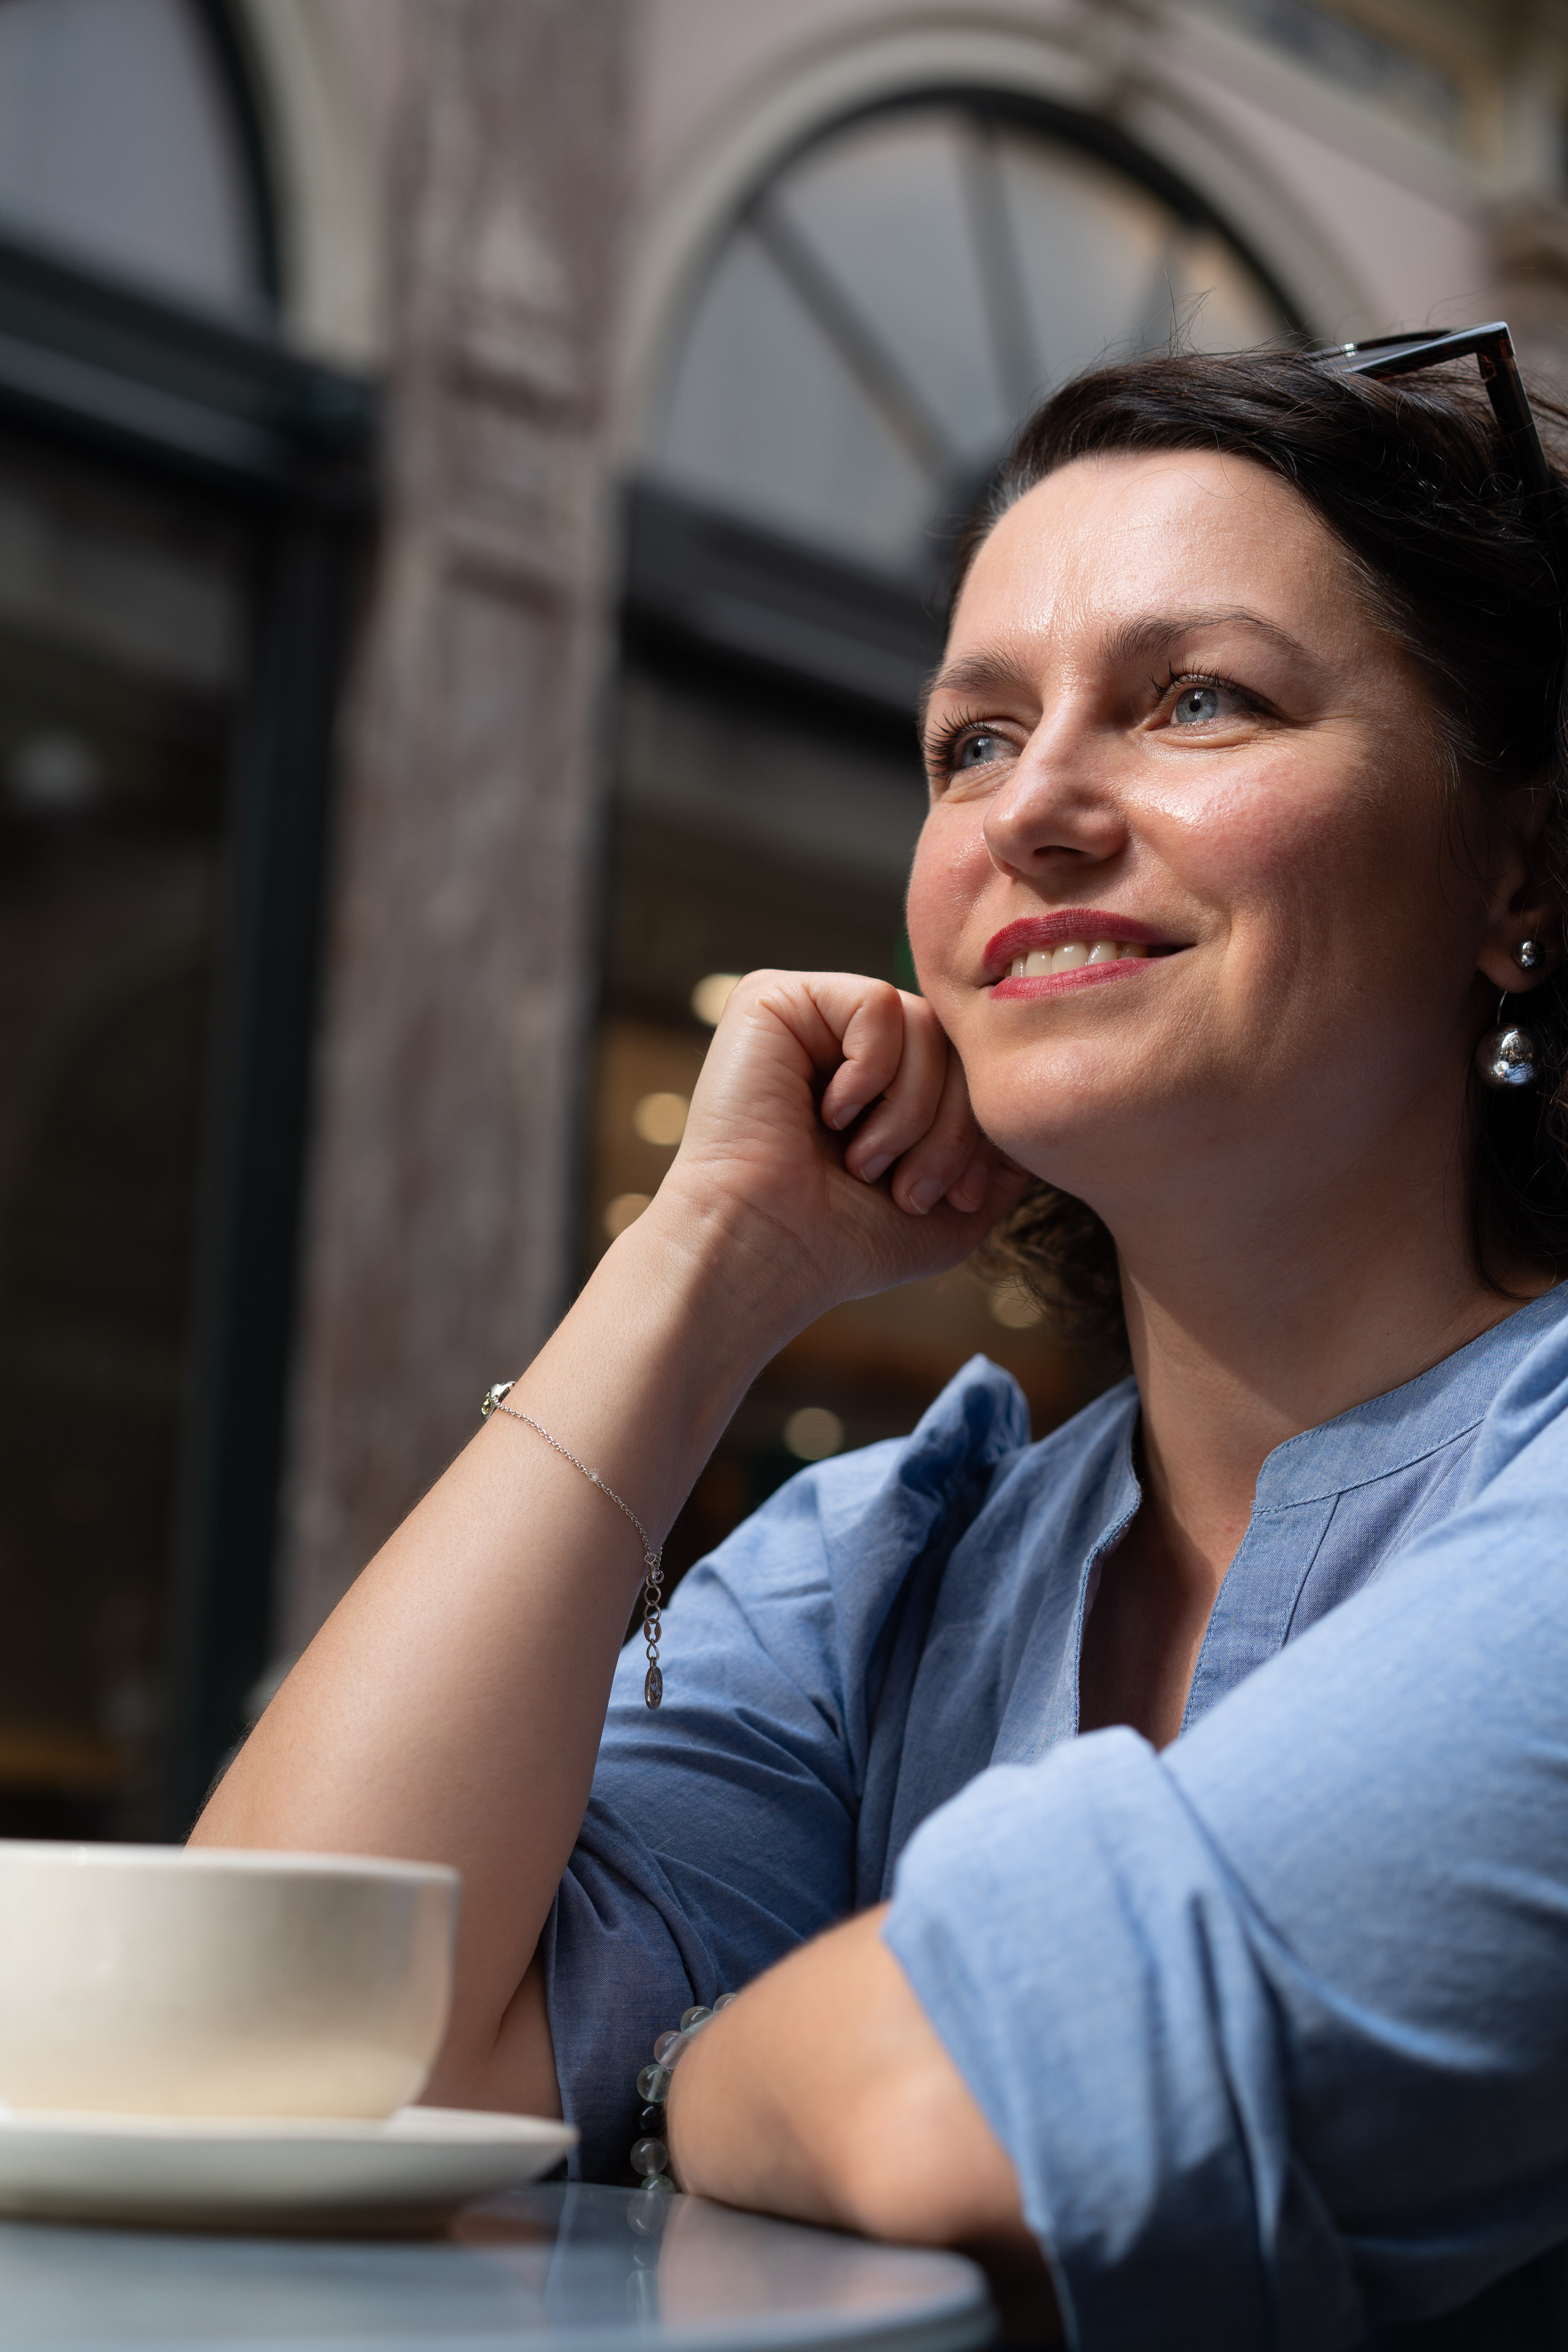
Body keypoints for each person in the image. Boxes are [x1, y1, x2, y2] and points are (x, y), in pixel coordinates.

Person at [194, 344, 1568, 2348]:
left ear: (1519, 872)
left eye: (1201, 700)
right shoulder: (892, 1567)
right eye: (973, 741)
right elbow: (270, 2037)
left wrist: (667, 2086)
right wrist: (706, 1273)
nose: (1039, 813)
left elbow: (975, 2109)